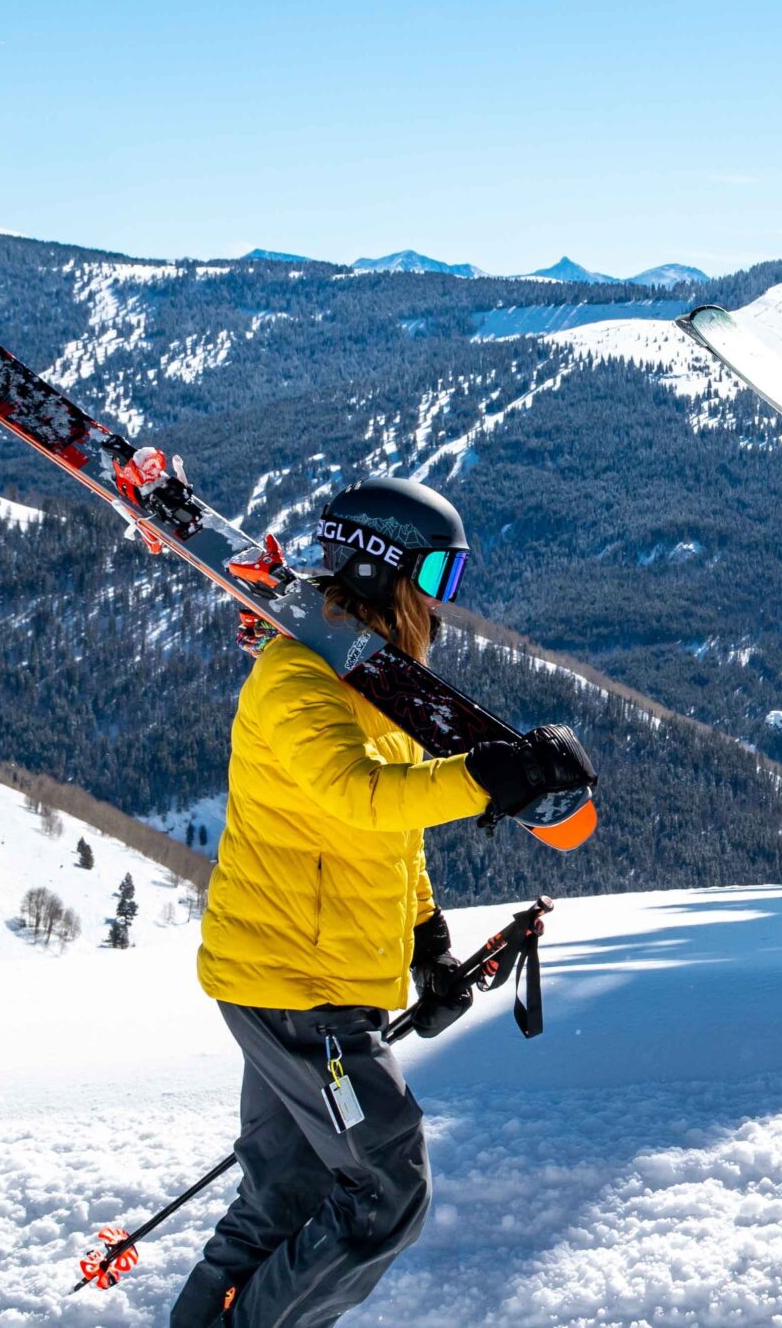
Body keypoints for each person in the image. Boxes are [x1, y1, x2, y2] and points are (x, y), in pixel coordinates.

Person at [173, 478, 596, 1328]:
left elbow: (389, 835)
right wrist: (488, 777)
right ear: (379, 572)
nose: (441, 607)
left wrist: (427, 945)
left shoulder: (370, 686)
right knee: (386, 1189)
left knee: (285, 1193)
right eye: (435, 579)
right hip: (299, 992)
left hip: (312, 981)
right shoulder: (295, 681)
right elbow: (361, 794)